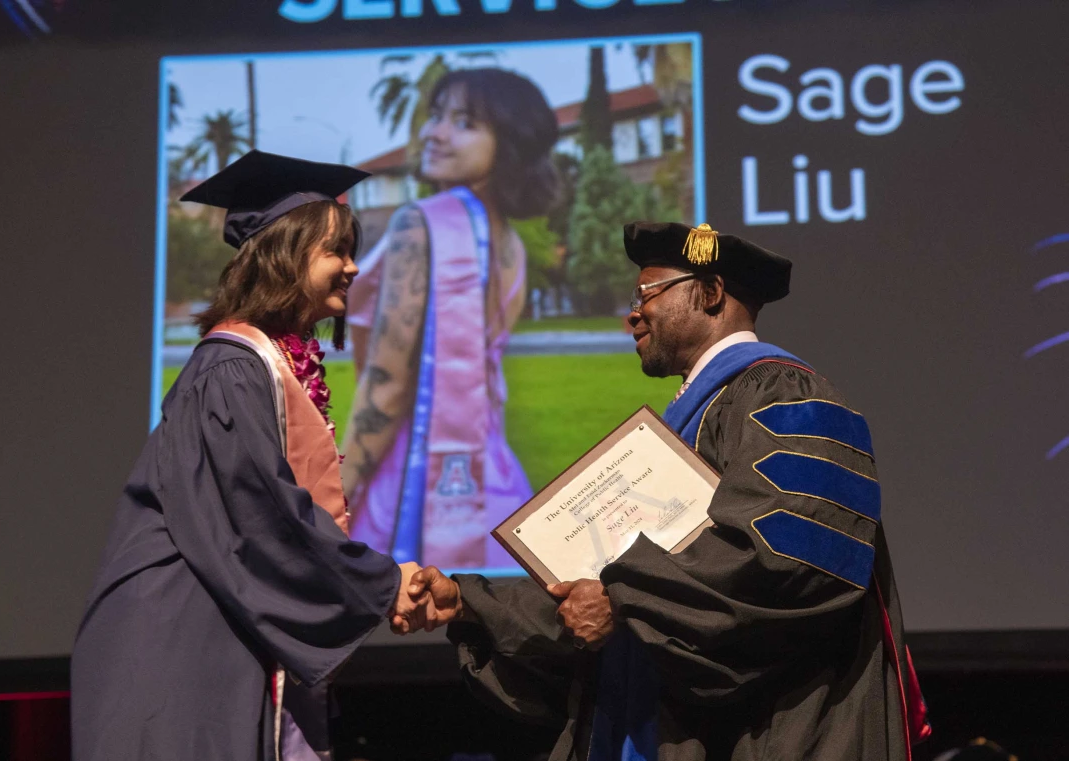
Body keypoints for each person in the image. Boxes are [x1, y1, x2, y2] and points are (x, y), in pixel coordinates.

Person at [400, 222, 931, 760]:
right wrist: (470, 602)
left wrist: (624, 599)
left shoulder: (783, 393)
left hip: (770, 733)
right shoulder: (680, 426)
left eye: (647, 293)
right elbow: (611, 582)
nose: (633, 312)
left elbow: (789, 566)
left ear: (710, 292)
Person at [72, 150, 423, 761]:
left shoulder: (259, 365)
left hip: (211, 632)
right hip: (176, 643)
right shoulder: (230, 372)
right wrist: (386, 583)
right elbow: (262, 515)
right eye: (335, 251)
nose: (352, 266)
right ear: (285, 256)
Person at [341, 68, 560, 570]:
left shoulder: (422, 222)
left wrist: (336, 497)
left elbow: (390, 383)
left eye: (463, 122)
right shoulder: (511, 244)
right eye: (436, 116)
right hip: (493, 476)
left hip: (413, 476)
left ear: (508, 143)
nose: (432, 132)